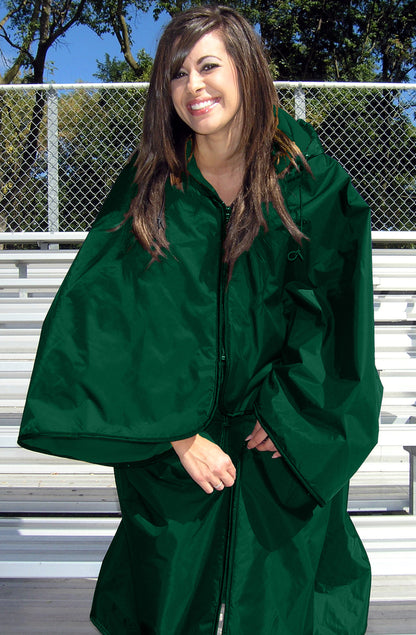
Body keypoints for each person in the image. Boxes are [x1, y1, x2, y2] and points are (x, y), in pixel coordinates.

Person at [18, 5, 383, 634]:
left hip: (280, 434)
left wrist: (291, 415)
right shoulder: (149, 186)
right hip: (176, 436)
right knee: (165, 591)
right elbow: (109, 324)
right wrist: (178, 436)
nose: (194, 86)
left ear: (245, 70)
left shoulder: (305, 177)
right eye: (176, 72)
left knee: (283, 597)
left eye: (208, 65)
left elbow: (338, 307)